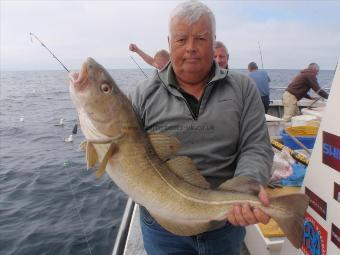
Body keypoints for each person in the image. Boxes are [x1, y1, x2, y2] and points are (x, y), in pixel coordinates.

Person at [129, 1, 273, 254]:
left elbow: (256, 145)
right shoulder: (142, 94)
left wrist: (248, 184)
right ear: (169, 41)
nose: (191, 48)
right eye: (181, 39)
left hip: (226, 221)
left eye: (201, 38)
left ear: (214, 40)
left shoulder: (243, 88)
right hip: (163, 227)